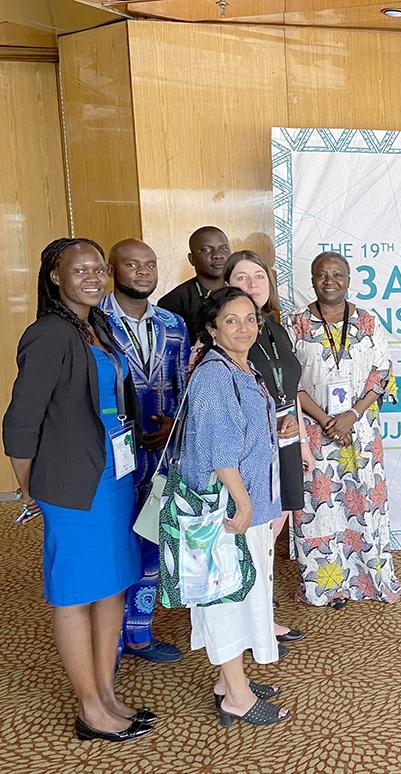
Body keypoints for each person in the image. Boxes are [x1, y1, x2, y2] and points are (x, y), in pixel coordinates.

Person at [4, 238, 154, 741]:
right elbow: (21, 421)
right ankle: (90, 709)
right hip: (72, 485)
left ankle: (108, 694)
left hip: (114, 476)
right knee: (74, 595)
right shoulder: (48, 334)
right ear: (54, 277)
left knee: (111, 587)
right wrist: (29, 488)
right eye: (79, 269)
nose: (93, 277)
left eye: (97, 269)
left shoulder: (100, 327)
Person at [183, 287, 290, 725]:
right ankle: (237, 698)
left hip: (247, 505)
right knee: (225, 595)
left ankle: (229, 681)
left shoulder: (240, 367)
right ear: (211, 329)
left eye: (251, 319)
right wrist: (244, 506)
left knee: (242, 591)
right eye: (231, 320)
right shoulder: (213, 375)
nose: (244, 328)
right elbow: (221, 452)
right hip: (226, 510)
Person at [288, 252, 401, 607]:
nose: (330, 281)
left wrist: (351, 415)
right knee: (320, 508)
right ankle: (326, 585)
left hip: (361, 432)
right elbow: (289, 383)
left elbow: (381, 374)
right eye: (322, 274)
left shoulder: (367, 321)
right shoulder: (296, 325)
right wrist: (326, 420)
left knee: (363, 502)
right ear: (312, 279)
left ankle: (369, 580)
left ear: (349, 280)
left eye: (338, 274)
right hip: (313, 434)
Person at [100, 239, 190, 664]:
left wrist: (175, 425)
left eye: (150, 264)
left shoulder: (173, 324)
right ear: (112, 270)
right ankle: (108, 643)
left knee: (152, 540)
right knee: (113, 546)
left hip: (161, 452)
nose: (142, 272)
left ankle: (139, 633)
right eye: (132, 265)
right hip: (108, 459)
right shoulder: (92, 322)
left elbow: (184, 384)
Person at [224, 251, 307, 642]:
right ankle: (250, 619)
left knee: (273, 529)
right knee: (252, 534)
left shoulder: (274, 327)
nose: (252, 285)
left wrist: (302, 444)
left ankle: (260, 611)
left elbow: (290, 389)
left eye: (259, 277)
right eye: (241, 278)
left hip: (287, 442)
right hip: (251, 449)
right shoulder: (230, 333)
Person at [158, 226, 231, 340]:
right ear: (192, 259)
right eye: (206, 250)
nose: (218, 255)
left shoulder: (241, 292)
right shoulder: (173, 302)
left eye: (224, 249)